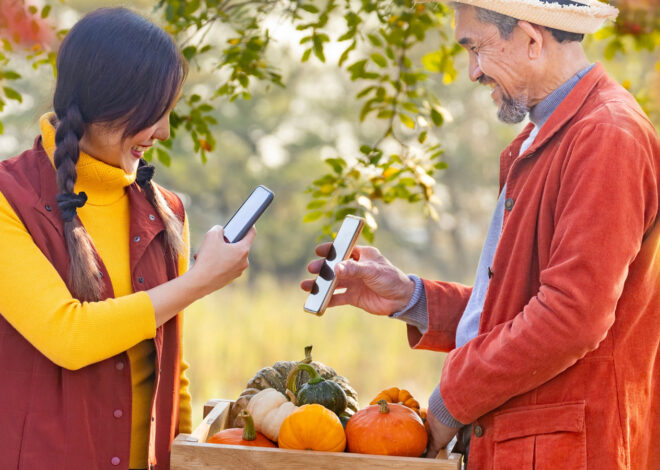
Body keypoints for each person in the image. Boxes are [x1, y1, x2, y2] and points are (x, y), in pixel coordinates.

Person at [302, 0, 660, 468]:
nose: (472, 72)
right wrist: (410, 298)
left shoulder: (606, 135)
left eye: (476, 49)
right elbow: (520, 305)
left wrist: (450, 399)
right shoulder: (548, 136)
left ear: (531, 40)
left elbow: (572, 316)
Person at [0, 8, 255, 470]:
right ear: (103, 100)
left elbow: (172, 367)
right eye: (152, 113)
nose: (163, 132)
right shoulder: (8, 199)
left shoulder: (166, 210)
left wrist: (181, 454)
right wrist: (201, 280)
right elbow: (68, 335)